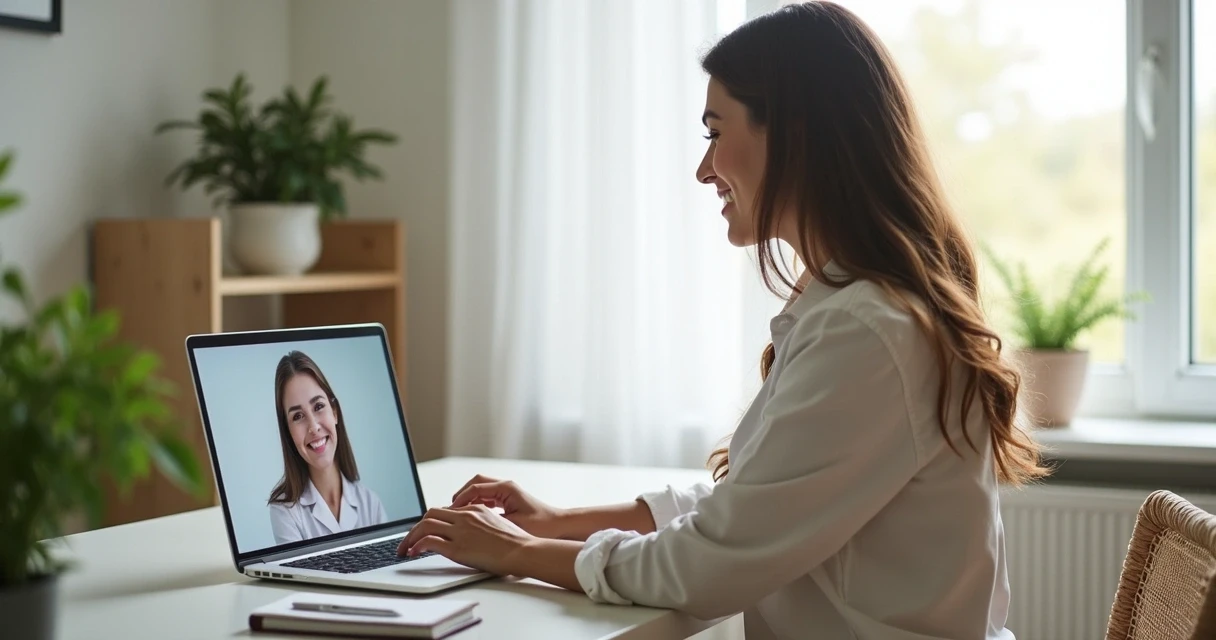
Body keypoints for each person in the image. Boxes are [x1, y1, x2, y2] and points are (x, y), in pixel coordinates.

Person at [396, 3, 1048, 638]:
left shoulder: (868, 332)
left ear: (796, 132)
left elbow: (710, 565)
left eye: (715, 132)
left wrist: (513, 552)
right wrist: (553, 522)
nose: (704, 169)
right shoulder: (852, 308)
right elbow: (756, 510)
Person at [268, 350, 388, 544]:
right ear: (288, 433)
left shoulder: (370, 503)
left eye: (318, 407)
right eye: (298, 416)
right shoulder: (285, 512)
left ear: (335, 412)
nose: (314, 427)